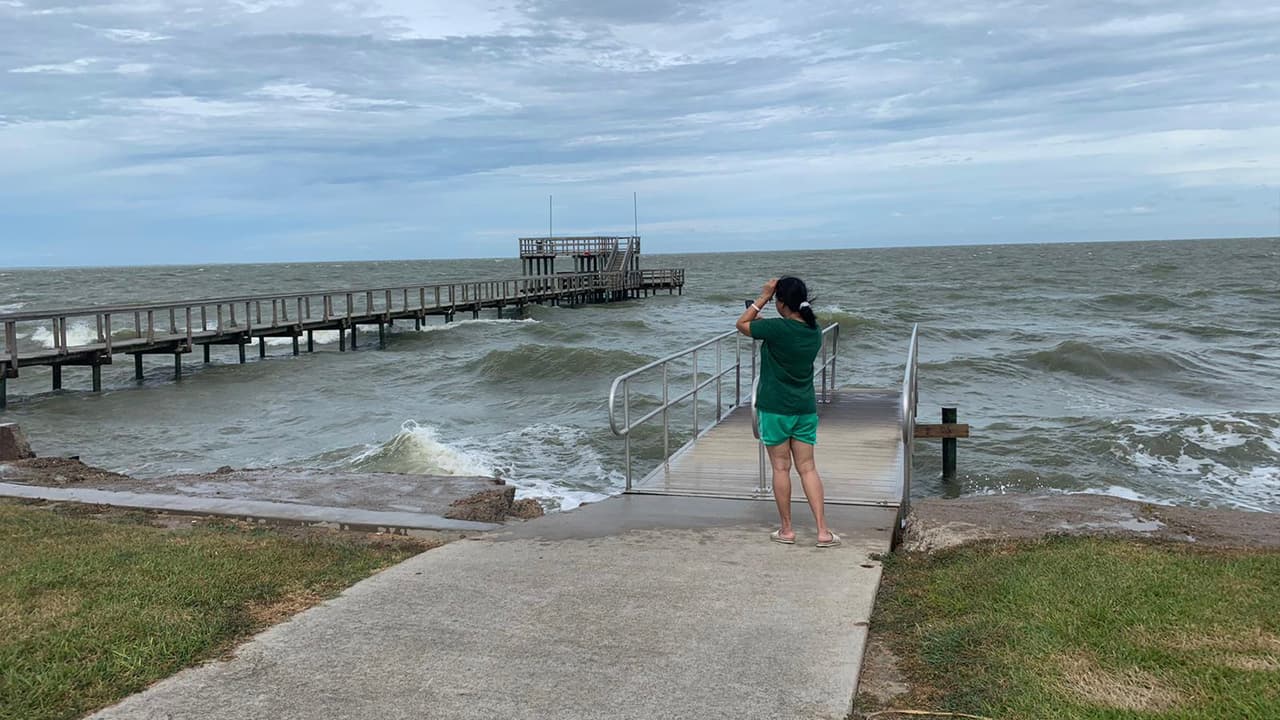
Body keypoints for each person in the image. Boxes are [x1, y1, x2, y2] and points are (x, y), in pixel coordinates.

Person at [735, 276, 839, 548]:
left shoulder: (777, 329)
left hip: (775, 407)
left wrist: (762, 298)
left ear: (781, 302)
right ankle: (823, 531)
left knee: (781, 468)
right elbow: (783, 330)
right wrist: (774, 304)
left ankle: (787, 530)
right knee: (808, 468)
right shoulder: (814, 331)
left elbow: (742, 324)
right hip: (804, 407)